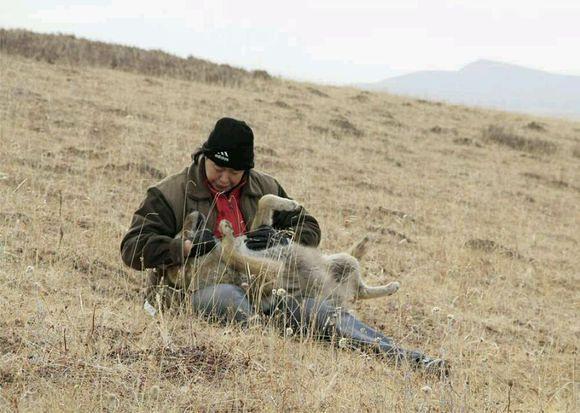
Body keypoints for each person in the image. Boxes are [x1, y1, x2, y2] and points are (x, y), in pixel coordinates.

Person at [120, 117, 448, 375]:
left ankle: (411, 359)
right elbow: (133, 247)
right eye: (217, 167)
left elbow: (309, 226)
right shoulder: (171, 192)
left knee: (326, 315)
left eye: (234, 172)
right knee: (228, 299)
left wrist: (281, 238)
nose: (223, 177)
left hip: (269, 286)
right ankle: (265, 346)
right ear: (204, 156)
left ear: (246, 169)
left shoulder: (265, 186)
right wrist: (186, 247)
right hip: (200, 287)